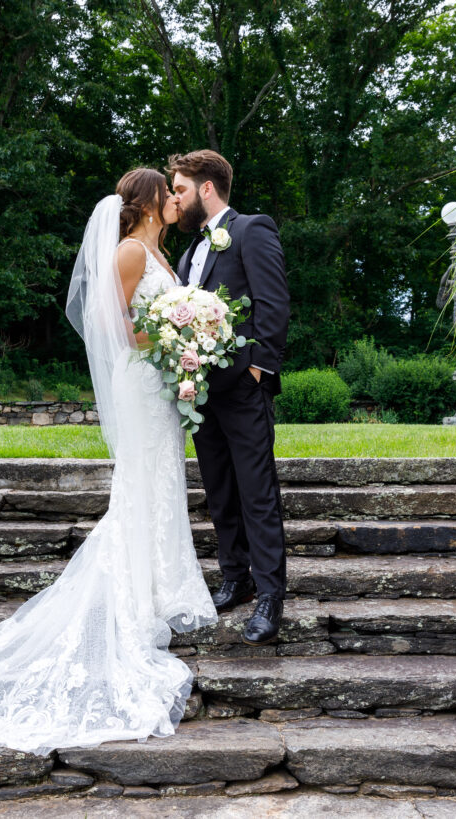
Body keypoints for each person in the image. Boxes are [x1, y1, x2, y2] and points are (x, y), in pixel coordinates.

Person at [0, 169, 216, 756]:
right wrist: (174, 332)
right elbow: (110, 326)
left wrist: (184, 332)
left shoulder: (159, 253)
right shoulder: (127, 252)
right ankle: (135, 596)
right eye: (168, 194)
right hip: (141, 384)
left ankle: (157, 587)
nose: (177, 200)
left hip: (161, 386)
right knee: (141, 485)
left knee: (161, 484)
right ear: (146, 202)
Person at [169, 150, 290, 646]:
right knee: (219, 491)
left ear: (206, 188)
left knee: (256, 493)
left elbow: (273, 300)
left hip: (243, 387)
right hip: (201, 395)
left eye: (179, 188)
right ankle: (234, 578)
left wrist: (259, 369)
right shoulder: (188, 252)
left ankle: (269, 596)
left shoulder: (250, 229)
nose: (174, 197)